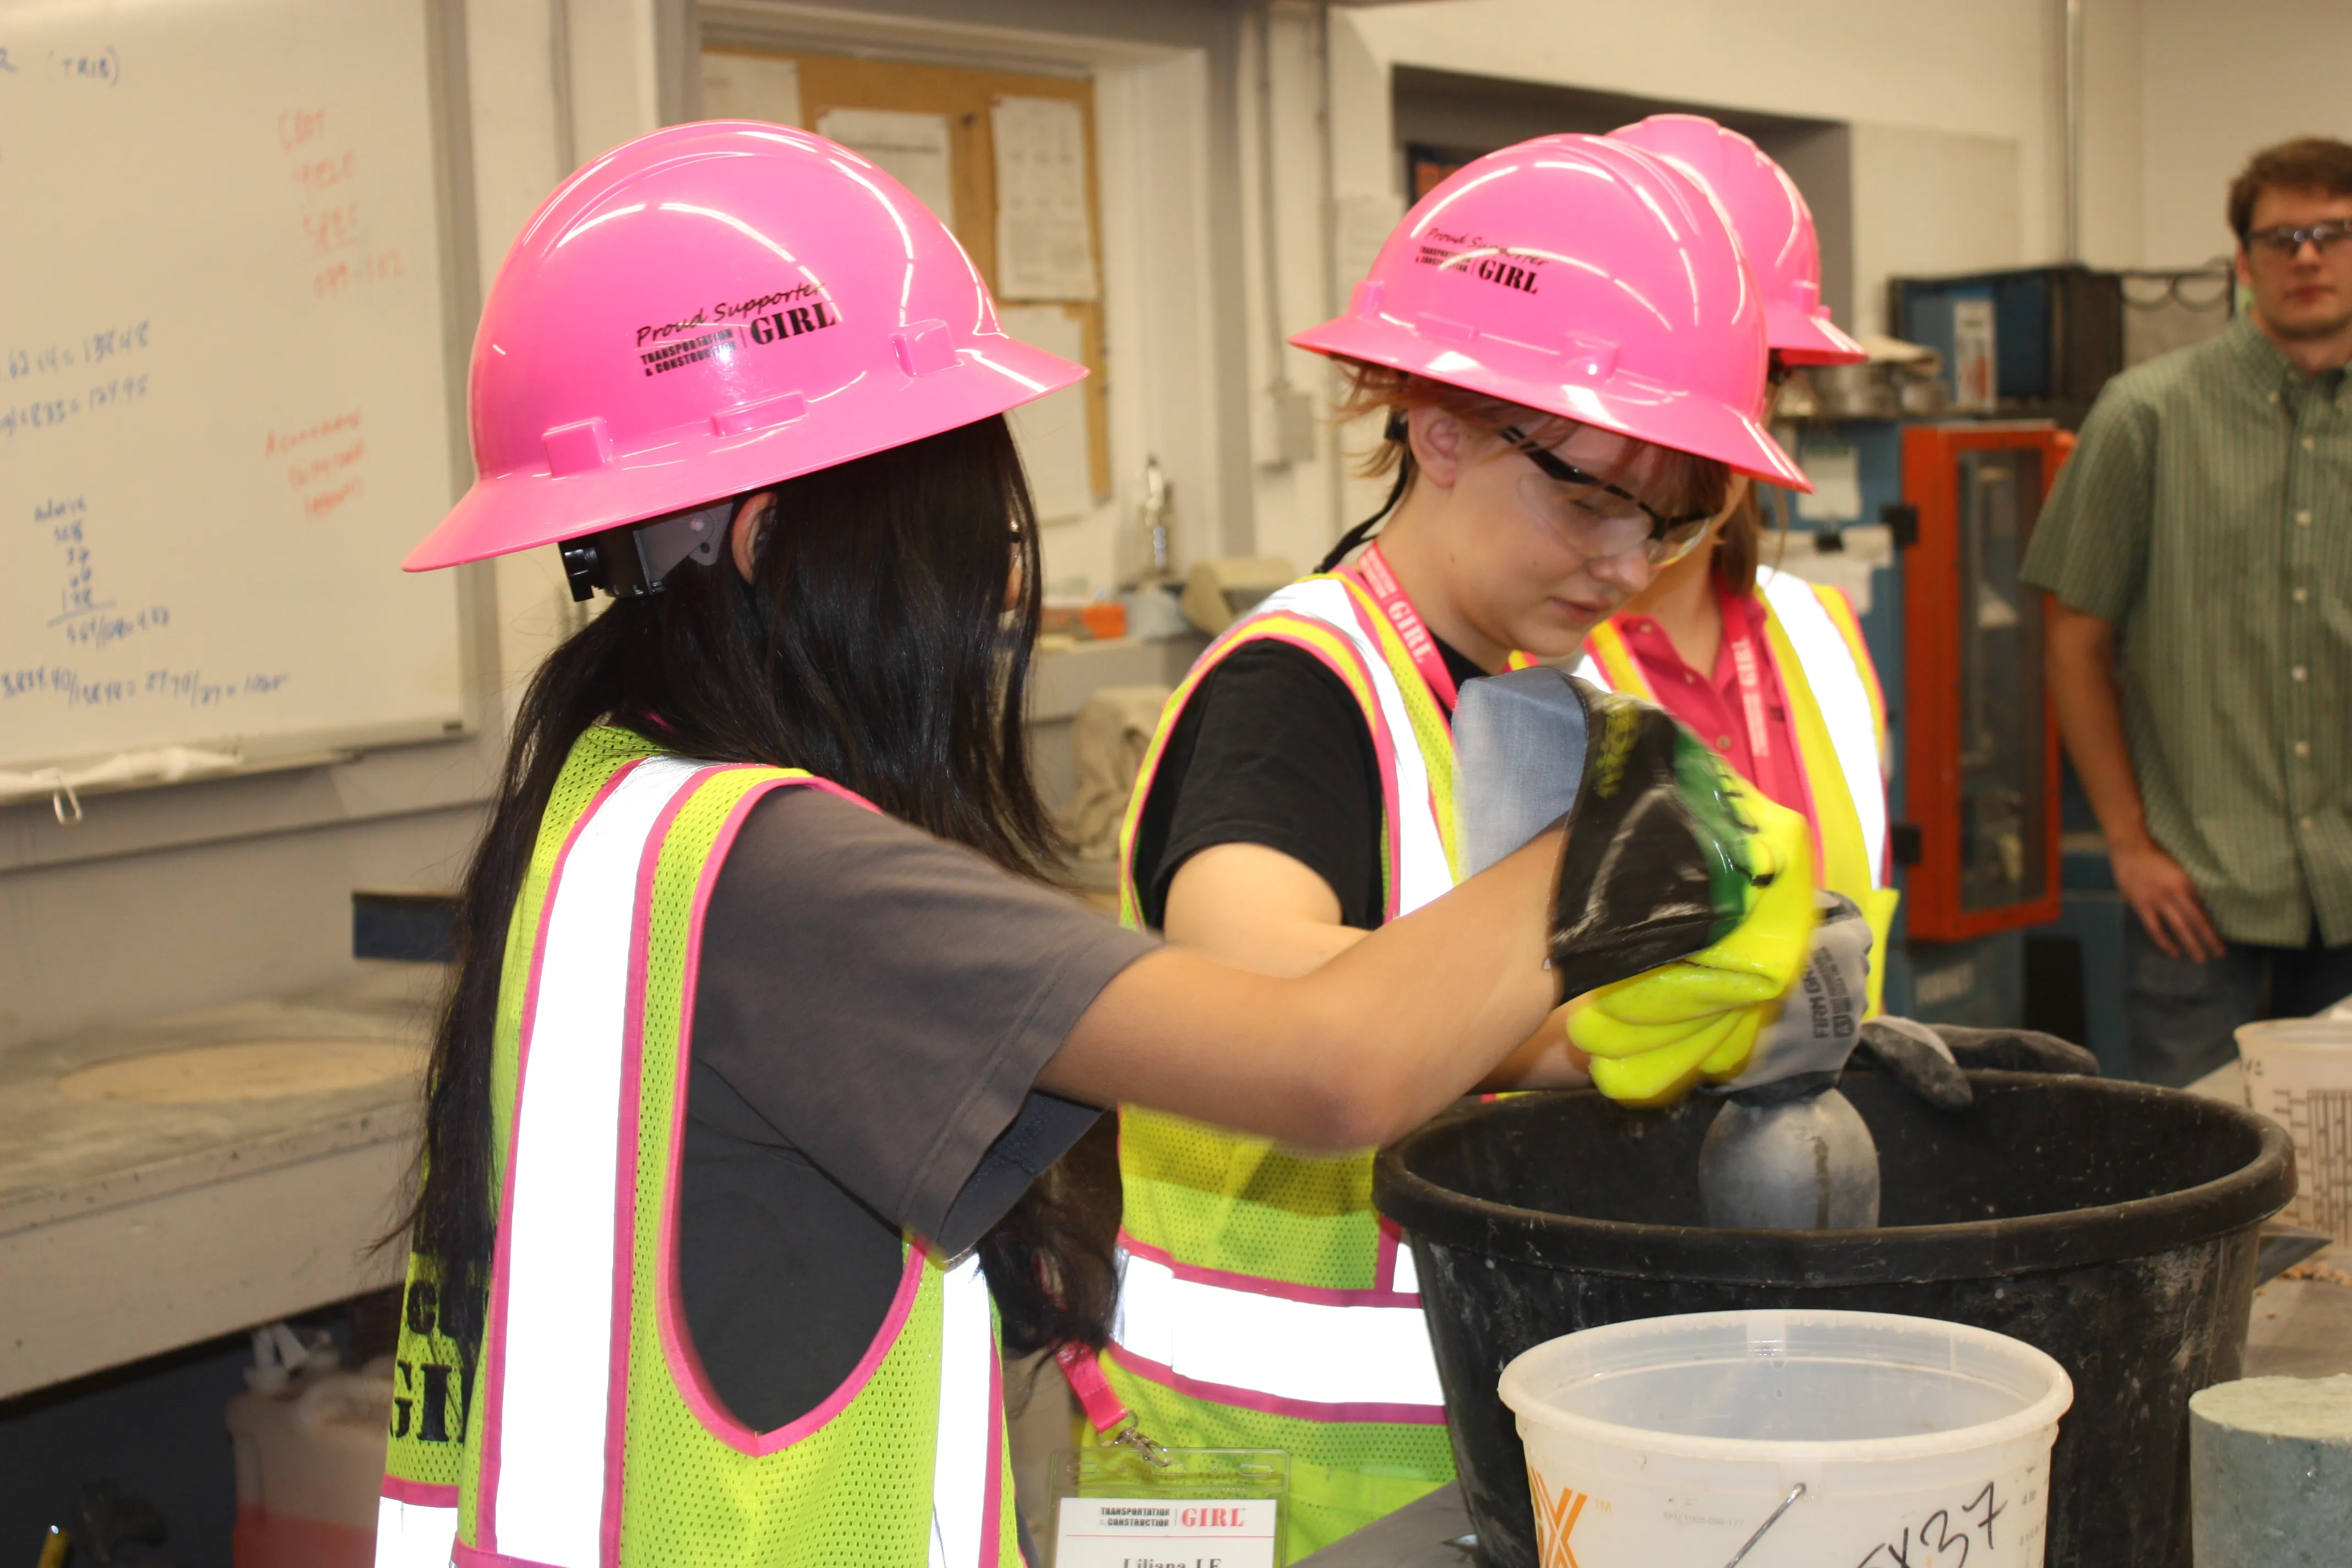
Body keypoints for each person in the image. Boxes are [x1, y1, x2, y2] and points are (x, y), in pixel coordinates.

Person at [370, 123, 1804, 1568]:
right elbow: (1324, 1057)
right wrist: (1609, 858)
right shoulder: (790, 881)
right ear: (761, 535)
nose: (1000, 573)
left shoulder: (612, 809)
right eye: (962, 514)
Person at [1105, 134, 1812, 1560]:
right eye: (1593, 498)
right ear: (1443, 429)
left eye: (1672, 526)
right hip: (1256, 1493)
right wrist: (1593, 1027)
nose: (1628, 565)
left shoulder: (1558, 704)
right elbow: (1260, 1002)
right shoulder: (1296, 696)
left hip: (1481, 1467)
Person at [2024, 135, 2352, 1086]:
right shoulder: (2145, 418)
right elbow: (2076, 642)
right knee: (2207, 1180)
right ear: (2243, 263)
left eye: (2333, 233)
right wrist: (2128, 843)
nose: (2308, 256)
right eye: (2281, 236)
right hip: (2194, 889)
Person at [1574, 116, 1899, 1009]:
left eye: (1755, 375)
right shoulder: (1520, 650)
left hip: (1823, 1137)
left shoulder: (1819, 636)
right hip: (1570, 1143)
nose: (1720, 416)